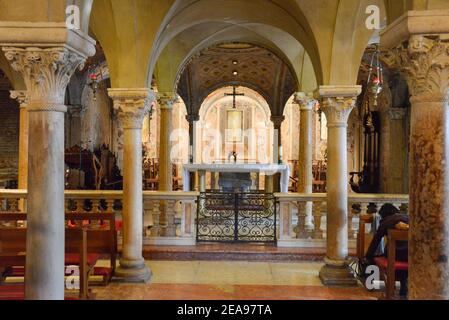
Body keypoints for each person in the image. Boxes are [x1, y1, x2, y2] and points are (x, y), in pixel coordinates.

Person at [364, 203, 409, 296]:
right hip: (411, 257)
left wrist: (368, 255)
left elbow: (376, 240)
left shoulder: (386, 221)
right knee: (404, 252)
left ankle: (372, 284)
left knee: (382, 255)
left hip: (394, 256)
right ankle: (403, 285)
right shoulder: (408, 218)